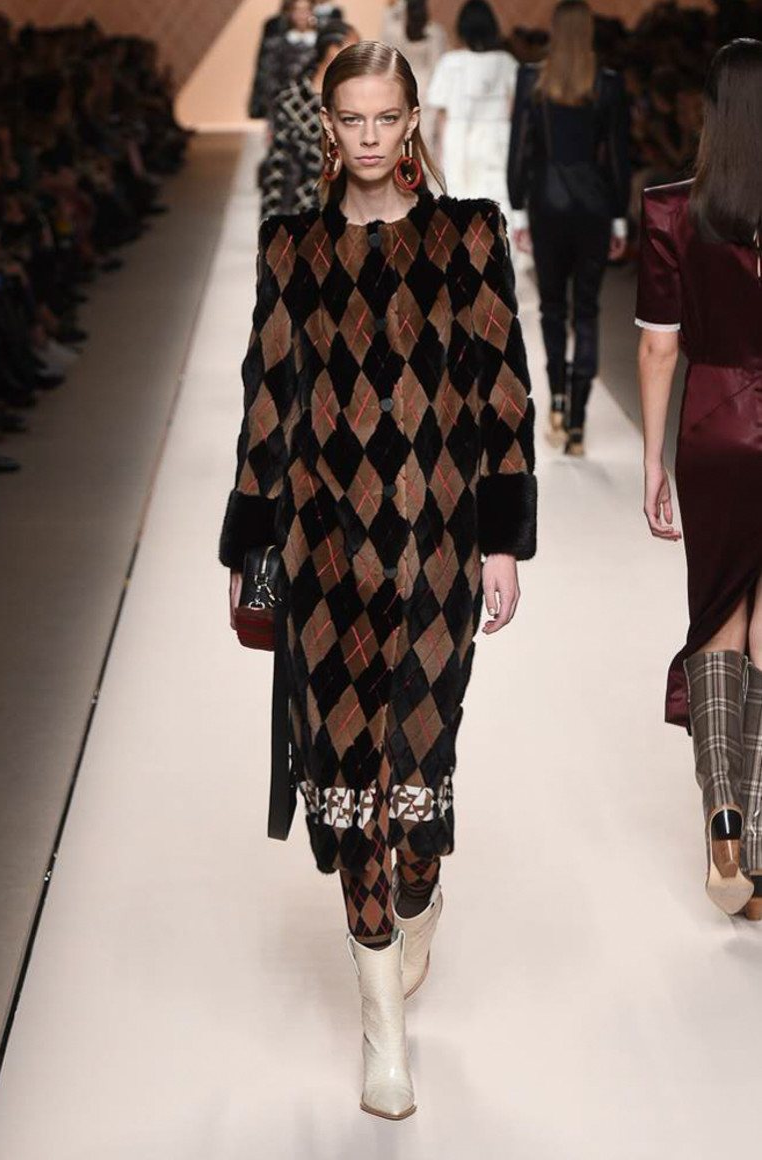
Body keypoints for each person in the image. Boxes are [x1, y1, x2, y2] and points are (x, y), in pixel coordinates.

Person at [219, 40, 536, 1120]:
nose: (365, 136)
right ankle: (383, 1036)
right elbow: (267, 401)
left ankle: (421, 893)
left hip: (439, 551)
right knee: (352, 787)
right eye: (348, 118)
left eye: (382, 118)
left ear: (410, 123)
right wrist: (249, 544)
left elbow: (502, 393)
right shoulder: (292, 248)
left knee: (418, 780)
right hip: (326, 558)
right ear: (328, 126)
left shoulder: (467, 237)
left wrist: (504, 539)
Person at [636, 38, 762, 921]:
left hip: (712, 422)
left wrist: (652, 459)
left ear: (709, 112)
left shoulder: (671, 209)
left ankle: (721, 810)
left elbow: (657, 348)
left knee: (717, 615)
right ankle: (758, 843)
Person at [507, 0, 630, 456]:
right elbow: (618, 156)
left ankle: (557, 402)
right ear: (589, 33)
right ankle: (577, 423)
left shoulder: (532, 80)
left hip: (546, 204)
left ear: (556, 32)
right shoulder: (608, 84)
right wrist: (620, 216)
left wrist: (518, 209)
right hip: (593, 206)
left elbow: (520, 148)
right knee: (588, 311)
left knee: (553, 308)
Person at [260, 21, 358, 218]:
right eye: (352, 48)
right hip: (302, 206)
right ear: (332, 49)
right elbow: (277, 164)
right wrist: (270, 223)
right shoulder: (291, 100)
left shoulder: (359, 99)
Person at [426, 0, 518, 208]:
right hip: (497, 137)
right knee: (497, 205)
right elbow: (514, 109)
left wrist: (438, 155)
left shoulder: (449, 62)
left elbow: (441, 116)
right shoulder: (507, 62)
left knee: (459, 206)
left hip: (458, 139)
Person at [381, 0, 447, 140]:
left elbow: (386, 57)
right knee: (425, 135)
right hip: (426, 87)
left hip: (400, 83)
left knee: (400, 132)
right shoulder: (435, 31)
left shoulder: (394, 31)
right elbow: (437, 65)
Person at [249, 0, 317, 121]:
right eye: (297, 10)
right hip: (283, 106)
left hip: (313, 105)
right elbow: (268, 76)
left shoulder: (320, 43)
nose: (301, 15)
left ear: (312, 12)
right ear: (290, 13)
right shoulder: (278, 44)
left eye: (305, 10)